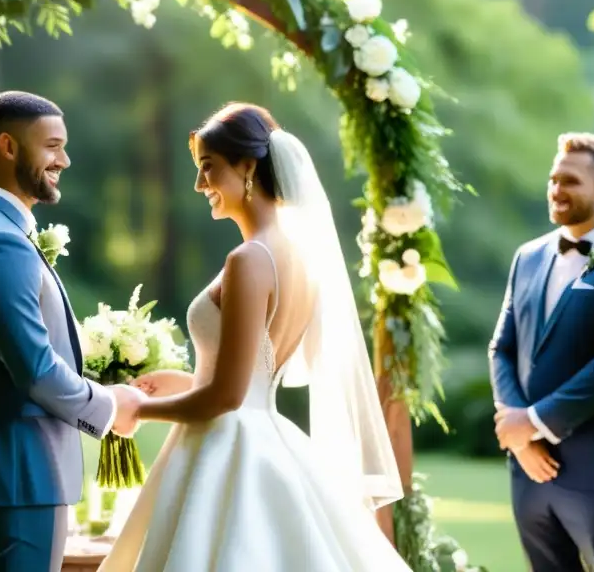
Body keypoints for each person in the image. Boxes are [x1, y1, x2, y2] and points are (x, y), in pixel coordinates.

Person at [98, 102, 410, 571]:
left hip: (227, 452)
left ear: (247, 166)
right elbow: (251, 381)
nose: (200, 184)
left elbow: (228, 397)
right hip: (264, 436)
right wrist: (182, 383)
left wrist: (137, 409)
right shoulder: (299, 258)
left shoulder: (249, 260)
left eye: (208, 168)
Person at [0, 92, 144, 572]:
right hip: (20, 472)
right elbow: (35, 370)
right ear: (8, 147)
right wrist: (111, 407)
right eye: (52, 146)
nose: (65, 160)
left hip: (23, 472)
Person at [489, 132, 594, 571]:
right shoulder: (528, 256)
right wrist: (519, 435)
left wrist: (536, 423)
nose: (556, 190)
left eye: (570, 181)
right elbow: (501, 347)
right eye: (553, 179)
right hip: (528, 474)